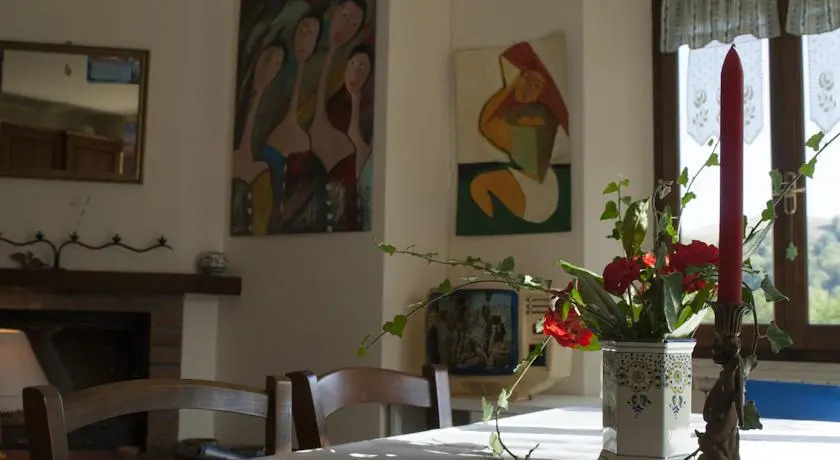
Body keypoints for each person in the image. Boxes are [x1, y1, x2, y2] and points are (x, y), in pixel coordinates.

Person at [472, 42, 569, 224]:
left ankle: (492, 226)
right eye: (524, 78)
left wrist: (508, 88)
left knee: (478, 185)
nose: (528, 87)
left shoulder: (536, 119)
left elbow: (486, 125)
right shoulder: (527, 114)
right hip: (543, 187)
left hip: (536, 194)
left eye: (536, 84)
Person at [231, 43, 286, 235]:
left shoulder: (273, 107)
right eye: (268, 59)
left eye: (277, 64)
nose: (270, 68)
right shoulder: (237, 99)